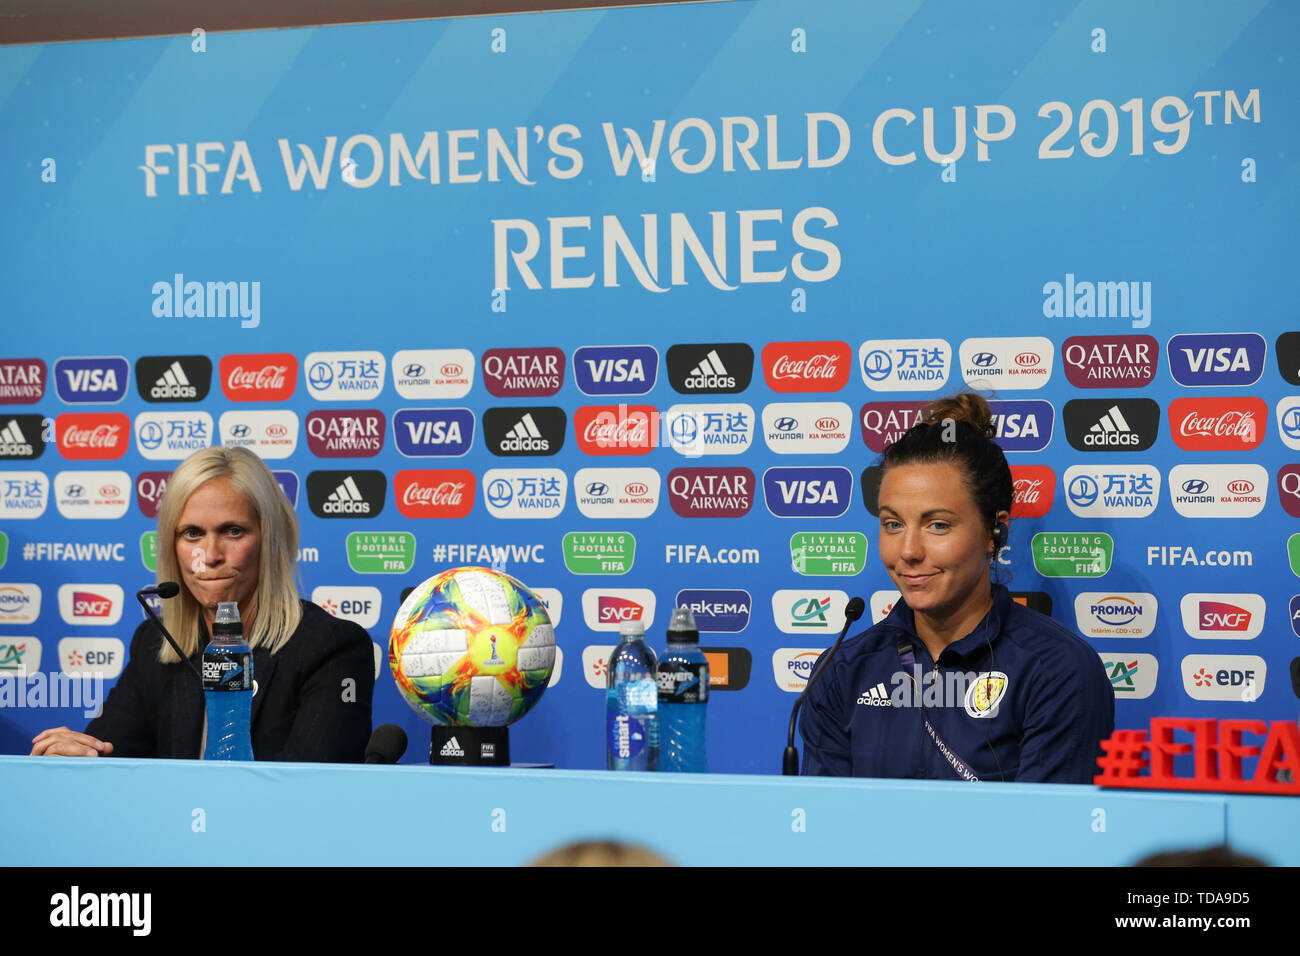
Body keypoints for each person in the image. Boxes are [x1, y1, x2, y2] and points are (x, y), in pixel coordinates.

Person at [800, 394, 1114, 783]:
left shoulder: (1058, 670)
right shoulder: (841, 671)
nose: (909, 551)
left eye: (938, 525)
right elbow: (827, 828)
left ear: (994, 532)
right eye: (893, 524)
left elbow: (1050, 835)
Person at [31, 446, 375, 761]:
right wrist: (76, 756)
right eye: (192, 534)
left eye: (233, 531)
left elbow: (311, 789)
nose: (209, 556)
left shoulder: (332, 648)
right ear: (171, 546)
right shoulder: (155, 643)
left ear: (270, 541)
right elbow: (111, 754)